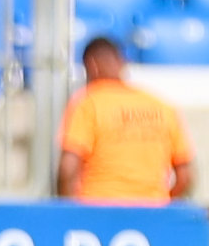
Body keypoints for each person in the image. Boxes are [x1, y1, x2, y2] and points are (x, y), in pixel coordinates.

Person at [58, 35, 194, 204]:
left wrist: (69, 213)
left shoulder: (88, 103)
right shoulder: (162, 107)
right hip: (151, 213)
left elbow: (68, 169)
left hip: (98, 212)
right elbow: (185, 176)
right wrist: (163, 206)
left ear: (91, 65)